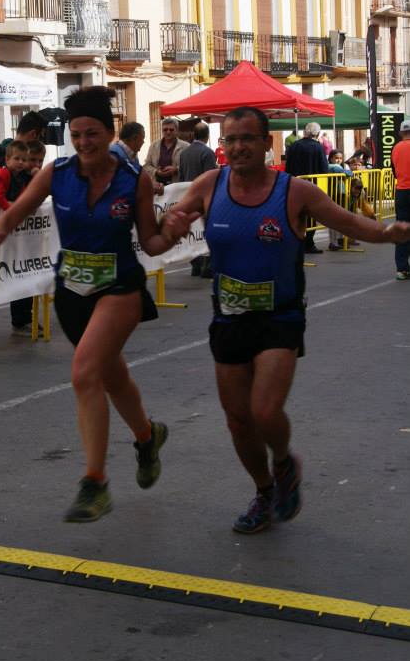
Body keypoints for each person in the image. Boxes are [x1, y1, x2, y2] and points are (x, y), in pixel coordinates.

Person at [166, 105, 410, 535]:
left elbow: (348, 221)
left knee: (264, 410)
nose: (238, 146)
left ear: (267, 143)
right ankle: (264, 490)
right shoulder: (210, 184)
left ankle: (282, 462)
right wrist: (157, 223)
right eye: (231, 139)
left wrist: (387, 233)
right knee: (238, 420)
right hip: (229, 319)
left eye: (247, 138)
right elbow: (163, 235)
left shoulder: (293, 191)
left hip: (280, 317)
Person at [0, 86, 194, 523]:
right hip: (72, 292)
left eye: (91, 133)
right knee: (110, 377)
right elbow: (19, 209)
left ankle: (94, 483)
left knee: (83, 374)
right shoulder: (56, 173)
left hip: (120, 288)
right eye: (75, 134)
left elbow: (150, 244)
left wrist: (173, 229)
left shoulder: (136, 180)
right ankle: (148, 437)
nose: (83, 143)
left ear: (109, 132)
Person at [0, 140, 36, 336]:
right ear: (7, 159)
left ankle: (23, 317)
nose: (21, 163)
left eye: (24, 159)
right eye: (17, 159)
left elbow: (23, 196)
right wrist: (14, 211)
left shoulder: (21, 177)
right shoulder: (2, 175)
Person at [179, 121, 217, 279]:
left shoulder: (184, 152)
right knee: (206, 230)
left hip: (187, 194)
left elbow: (181, 176)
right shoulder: (207, 152)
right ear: (207, 136)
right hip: (203, 197)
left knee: (193, 231)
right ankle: (207, 265)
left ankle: (195, 264)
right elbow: (210, 177)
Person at [285, 121, 329, 253]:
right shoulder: (317, 147)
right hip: (312, 186)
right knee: (310, 216)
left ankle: (296, 242)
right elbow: (324, 168)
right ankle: (309, 243)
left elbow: (288, 166)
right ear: (318, 133)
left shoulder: (294, 145)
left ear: (305, 132)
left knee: (296, 214)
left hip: (294, 185)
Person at [143, 117, 189, 195]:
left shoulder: (186, 146)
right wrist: (156, 171)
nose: (168, 132)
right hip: (157, 188)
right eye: (165, 129)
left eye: (171, 130)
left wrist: (176, 169)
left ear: (177, 130)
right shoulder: (154, 146)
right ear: (162, 131)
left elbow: (189, 166)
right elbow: (147, 165)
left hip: (176, 187)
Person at [391, 120, 410, 280]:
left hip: (402, 192)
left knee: (403, 229)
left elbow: (395, 172)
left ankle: (402, 269)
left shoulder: (396, 148)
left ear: (401, 133)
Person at [326, 149, 350, 251]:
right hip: (334, 194)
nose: (338, 160)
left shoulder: (339, 167)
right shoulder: (332, 167)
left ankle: (340, 239)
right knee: (333, 219)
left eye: (340, 158)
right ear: (331, 158)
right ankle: (333, 242)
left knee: (341, 218)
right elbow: (348, 173)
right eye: (336, 158)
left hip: (341, 194)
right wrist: (347, 171)